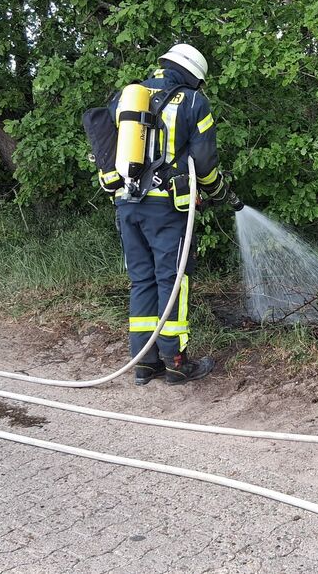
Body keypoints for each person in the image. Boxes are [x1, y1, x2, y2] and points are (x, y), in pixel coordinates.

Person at [107, 43, 240, 386]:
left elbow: (107, 141)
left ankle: (144, 362)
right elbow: (206, 161)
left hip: (128, 203)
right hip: (166, 207)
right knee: (173, 281)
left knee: (142, 280)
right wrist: (218, 192)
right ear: (194, 77)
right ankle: (176, 362)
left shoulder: (127, 96)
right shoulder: (194, 101)